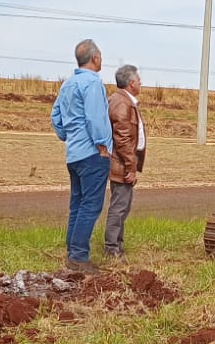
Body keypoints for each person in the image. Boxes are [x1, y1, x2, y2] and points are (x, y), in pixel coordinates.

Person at [50, 39, 113, 271]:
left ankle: (72, 250)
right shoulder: (93, 84)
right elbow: (95, 118)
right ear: (95, 58)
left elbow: (55, 117)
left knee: (77, 203)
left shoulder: (68, 84)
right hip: (92, 154)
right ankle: (78, 256)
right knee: (91, 205)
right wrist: (102, 146)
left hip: (73, 154)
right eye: (101, 56)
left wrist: (67, 135)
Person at [104, 64, 146, 260]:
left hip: (122, 163)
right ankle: (112, 248)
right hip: (121, 165)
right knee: (119, 206)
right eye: (138, 79)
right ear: (131, 83)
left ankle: (117, 245)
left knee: (123, 205)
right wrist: (131, 167)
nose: (140, 82)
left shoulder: (122, 100)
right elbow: (122, 138)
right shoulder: (122, 103)